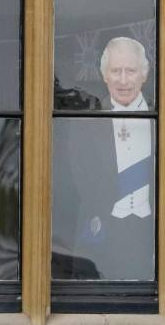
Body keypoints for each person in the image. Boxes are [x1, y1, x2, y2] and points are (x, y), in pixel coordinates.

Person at [52, 36, 155, 280]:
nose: (122, 80)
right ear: (104, 75)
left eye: (130, 71)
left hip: (151, 234)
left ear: (144, 74)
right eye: (115, 71)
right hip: (101, 236)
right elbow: (82, 178)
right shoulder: (85, 124)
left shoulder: (163, 119)